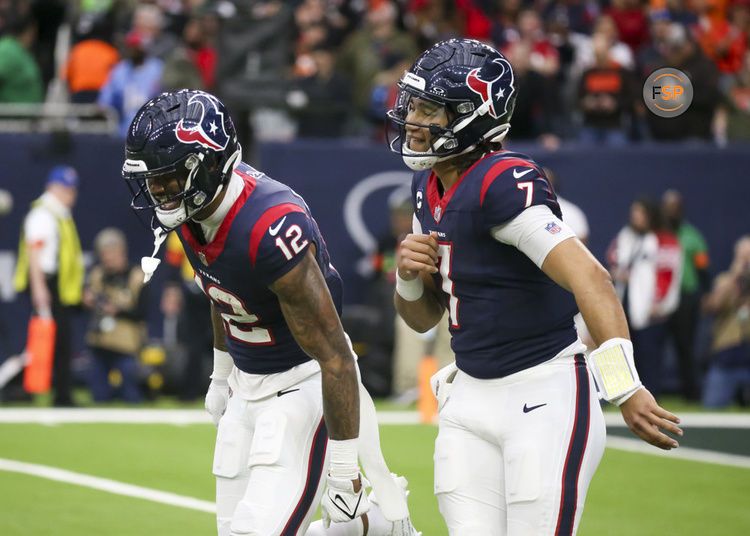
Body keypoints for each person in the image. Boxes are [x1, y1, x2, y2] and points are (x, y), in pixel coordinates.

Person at [387, 38, 682, 535]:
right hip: (469, 397)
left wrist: (623, 384)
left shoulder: (503, 180)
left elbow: (591, 277)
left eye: (429, 110)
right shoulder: (427, 184)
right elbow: (423, 318)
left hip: (542, 392)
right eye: (413, 105)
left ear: (473, 116)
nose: (413, 120)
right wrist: (408, 277)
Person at [122, 89, 417, 536]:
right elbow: (223, 293)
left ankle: (371, 523)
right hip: (246, 384)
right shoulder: (194, 206)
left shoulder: (269, 227)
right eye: (152, 179)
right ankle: (373, 528)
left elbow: (336, 354)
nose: (158, 192)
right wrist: (221, 376)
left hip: (301, 386)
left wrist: (342, 468)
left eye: (168, 178)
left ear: (209, 165)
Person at [13, 165, 84, 406]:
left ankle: (53, 392)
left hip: (54, 284)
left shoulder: (58, 213)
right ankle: (31, 390)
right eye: (66, 189)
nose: (71, 194)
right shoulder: (44, 213)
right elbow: (35, 251)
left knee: (59, 341)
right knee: (49, 341)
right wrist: (39, 287)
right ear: (52, 188)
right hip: (45, 282)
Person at [82, 228, 146, 403]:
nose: (107, 259)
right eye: (104, 255)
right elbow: (83, 304)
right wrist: (87, 300)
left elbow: (143, 313)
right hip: (99, 343)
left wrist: (118, 311)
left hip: (126, 347)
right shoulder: (97, 274)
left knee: (131, 397)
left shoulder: (137, 276)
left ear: (122, 251)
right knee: (99, 397)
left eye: (111, 254)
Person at [662, 189, 710, 400]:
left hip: (685, 297)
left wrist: (706, 293)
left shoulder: (692, 236)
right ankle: (652, 390)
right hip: (660, 298)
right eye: (668, 207)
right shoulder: (657, 236)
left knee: (685, 345)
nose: (672, 211)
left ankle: (691, 392)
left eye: (675, 207)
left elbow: (702, 268)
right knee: (653, 344)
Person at [701, 235, 750, 408]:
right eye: (743, 257)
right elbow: (714, 306)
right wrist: (735, 276)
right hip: (727, 355)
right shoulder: (724, 280)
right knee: (712, 409)